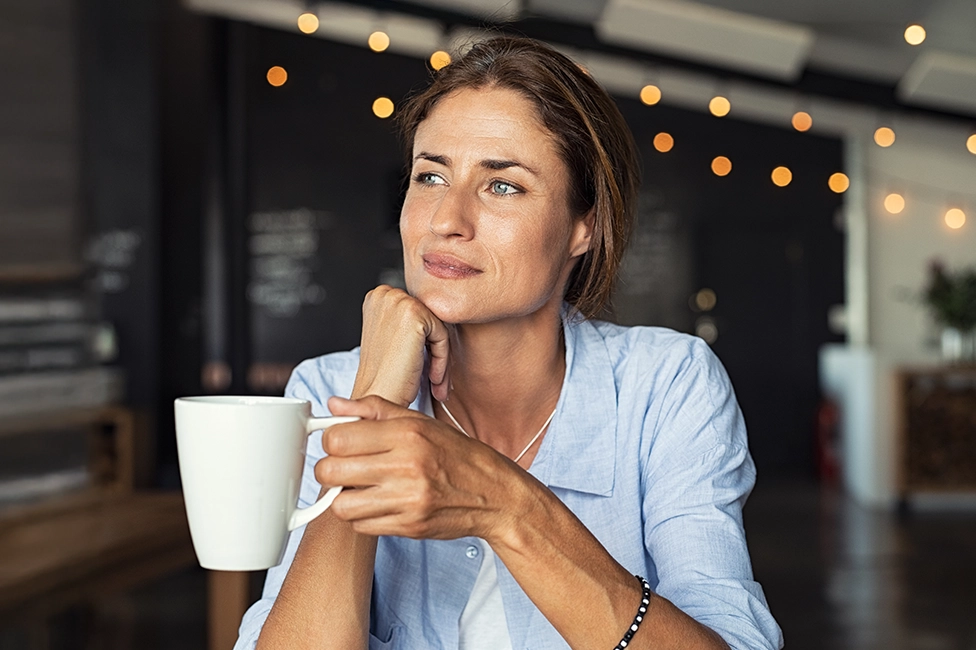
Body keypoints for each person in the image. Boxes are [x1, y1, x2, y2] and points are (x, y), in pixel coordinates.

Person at [237, 36, 782, 650]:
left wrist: (505, 505)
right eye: (430, 175)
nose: (446, 219)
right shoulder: (328, 391)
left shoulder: (666, 385)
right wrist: (377, 397)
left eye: (502, 186)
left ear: (586, 225)